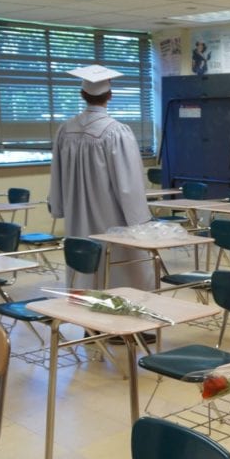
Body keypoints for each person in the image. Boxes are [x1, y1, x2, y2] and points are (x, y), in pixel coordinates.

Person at [49, 65, 153, 290]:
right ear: (110, 96)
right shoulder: (116, 132)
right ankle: (118, 317)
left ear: (82, 94)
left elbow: (56, 175)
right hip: (112, 219)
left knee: (84, 266)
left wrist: (58, 207)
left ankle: (88, 319)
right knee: (118, 269)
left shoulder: (65, 130)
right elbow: (128, 185)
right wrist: (139, 221)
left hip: (77, 217)